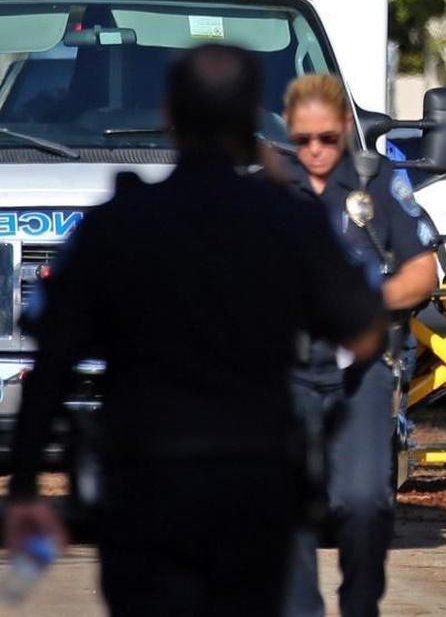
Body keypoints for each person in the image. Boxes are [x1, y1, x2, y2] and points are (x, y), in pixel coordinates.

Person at [4, 44, 387, 617]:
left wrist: (28, 485)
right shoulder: (287, 221)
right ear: (255, 117)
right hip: (254, 483)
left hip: (146, 485)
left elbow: (52, 361)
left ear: (168, 116)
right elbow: (363, 332)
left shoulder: (117, 225)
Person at [281, 74, 438, 617]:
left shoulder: (378, 182)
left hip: (361, 363)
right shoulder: (270, 191)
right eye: (303, 141)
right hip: (288, 369)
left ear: (347, 128)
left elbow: (423, 272)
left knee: (365, 502)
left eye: (326, 138)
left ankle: (359, 602)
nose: (316, 151)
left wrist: (370, 302)